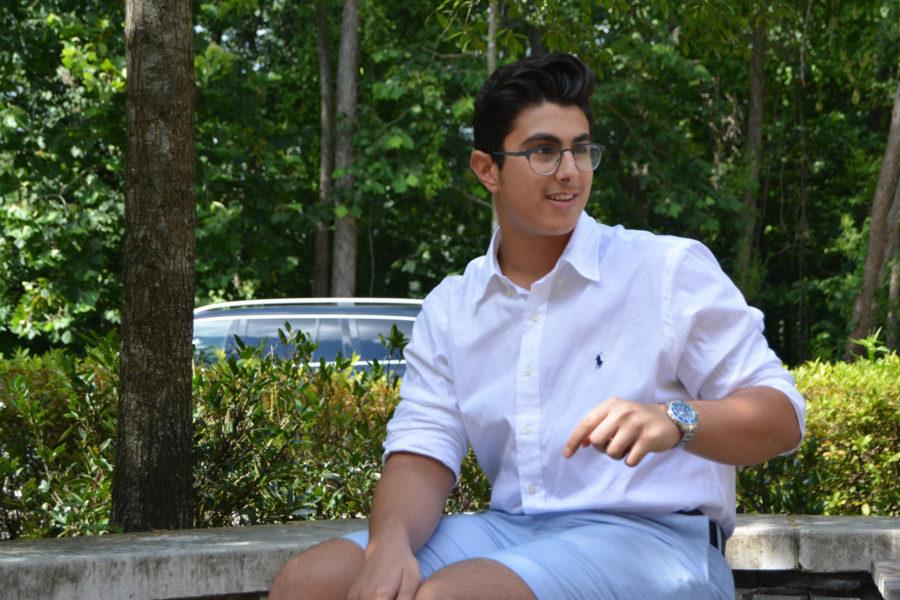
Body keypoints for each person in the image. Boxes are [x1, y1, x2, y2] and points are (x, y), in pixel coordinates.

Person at [269, 52, 804, 600]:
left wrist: (676, 418)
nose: (570, 170)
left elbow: (782, 415)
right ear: (487, 169)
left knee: (452, 597)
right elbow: (422, 453)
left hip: (658, 540)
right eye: (545, 151)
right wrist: (389, 547)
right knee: (310, 582)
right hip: (514, 532)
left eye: (581, 149)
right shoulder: (454, 306)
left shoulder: (665, 270)